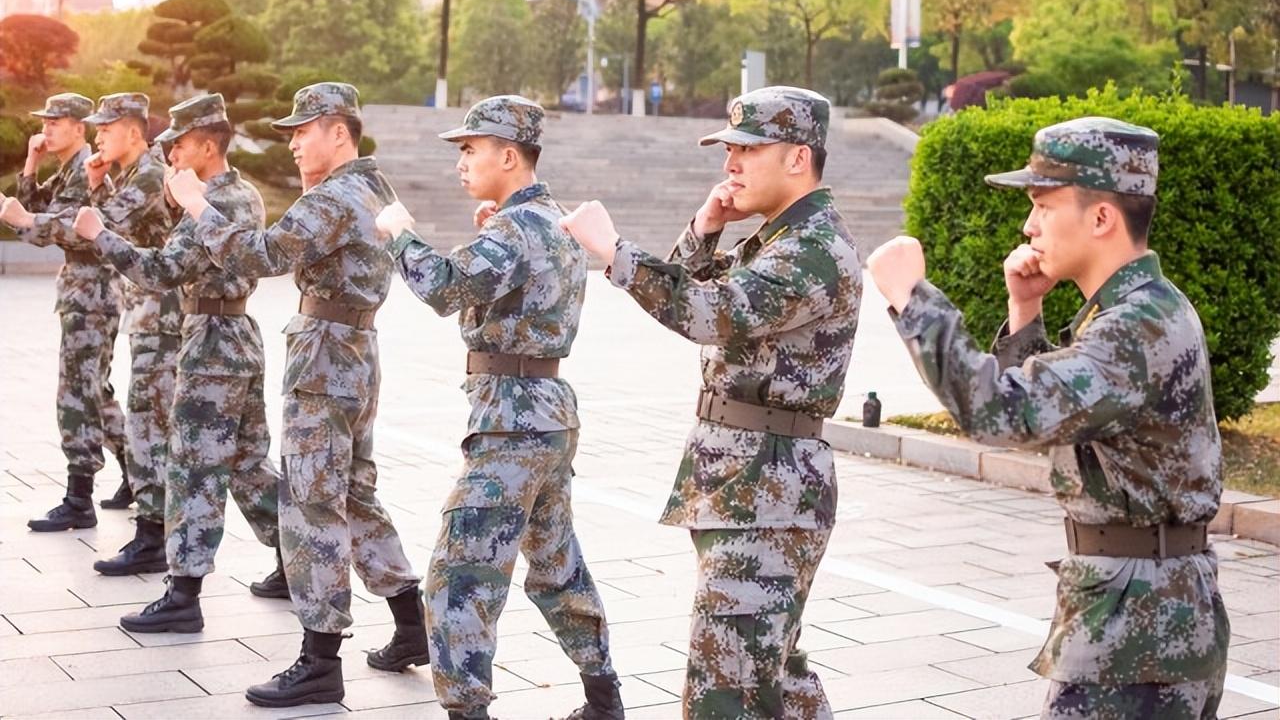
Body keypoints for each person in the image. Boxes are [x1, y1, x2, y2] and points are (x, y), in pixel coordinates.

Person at [865, 116, 1230, 719]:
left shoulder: (1135, 329)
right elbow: (1059, 418)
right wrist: (1025, 307)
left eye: (1043, 204)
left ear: (1101, 218)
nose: (1028, 225)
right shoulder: (1138, 311)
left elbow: (999, 413)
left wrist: (913, 298)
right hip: (1142, 612)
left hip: (1137, 633)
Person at [560, 86, 862, 719]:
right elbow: (697, 288)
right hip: (748, 483)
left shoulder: (813, 251)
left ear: (798, 158)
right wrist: (704, 230)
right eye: (729, 150)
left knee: (726, 687)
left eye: (747, 150)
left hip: (769, 492)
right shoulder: (778, 241)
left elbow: (708, 313)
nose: (731, 165)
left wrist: (614, 253)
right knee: (777, 673)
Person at [165, 81, 424, 708]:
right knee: (355, 493)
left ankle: (319, 660)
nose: (293, 144)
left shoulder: (335, 194)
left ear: (339, 132)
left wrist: (199, 206)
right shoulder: (373, 185)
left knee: (312, 501)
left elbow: (261, 255)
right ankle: (412, 622)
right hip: (357, 351)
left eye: (302, 132)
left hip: (324, 358)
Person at [376, 95, 622, 720]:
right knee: (554, 562)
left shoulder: (516, 229)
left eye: (470, 150)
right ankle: (603, 697)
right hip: (545, 413)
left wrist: (400, 233)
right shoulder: (551, 221)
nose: (461, 162)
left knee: (458, 576)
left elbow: (443, 287)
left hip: (512, 420)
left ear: (508, 156)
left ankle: (469, 713)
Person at [75, 93, 287, 631]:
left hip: (214, 343)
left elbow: (161, 270)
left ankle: (184, 596)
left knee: (193, 468)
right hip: (229, 334)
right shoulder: (235, 194)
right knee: (244, 462)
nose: (170, 155)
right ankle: (296, 554)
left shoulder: (214, 202)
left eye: (179, 145)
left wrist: (101, 236)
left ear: (208, 145)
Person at [0, 93, 127, 531]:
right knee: (95, 389)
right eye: (45, 122)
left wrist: (23, 220)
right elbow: (32, 209)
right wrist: (30, 164)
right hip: (82, 290)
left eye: (57, 122)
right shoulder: (70, 169)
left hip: (93, 291)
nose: (47, 129)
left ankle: (80, 498)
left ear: (80, 128)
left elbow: (56, 228)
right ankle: (139, 470)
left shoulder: (88, 171)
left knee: (75, 391)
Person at [75, 92, 183, 576]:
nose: (97, 135)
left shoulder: (149, 175)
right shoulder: (131, 175)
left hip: (162, 315)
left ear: (134, 133)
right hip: (147, 312)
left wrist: (25, 219)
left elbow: (101, 230)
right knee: (148, 422)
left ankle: (152, 538)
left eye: (106, 127)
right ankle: (152, 532)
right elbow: (107, 233)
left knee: (149, 424)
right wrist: (97, 187)